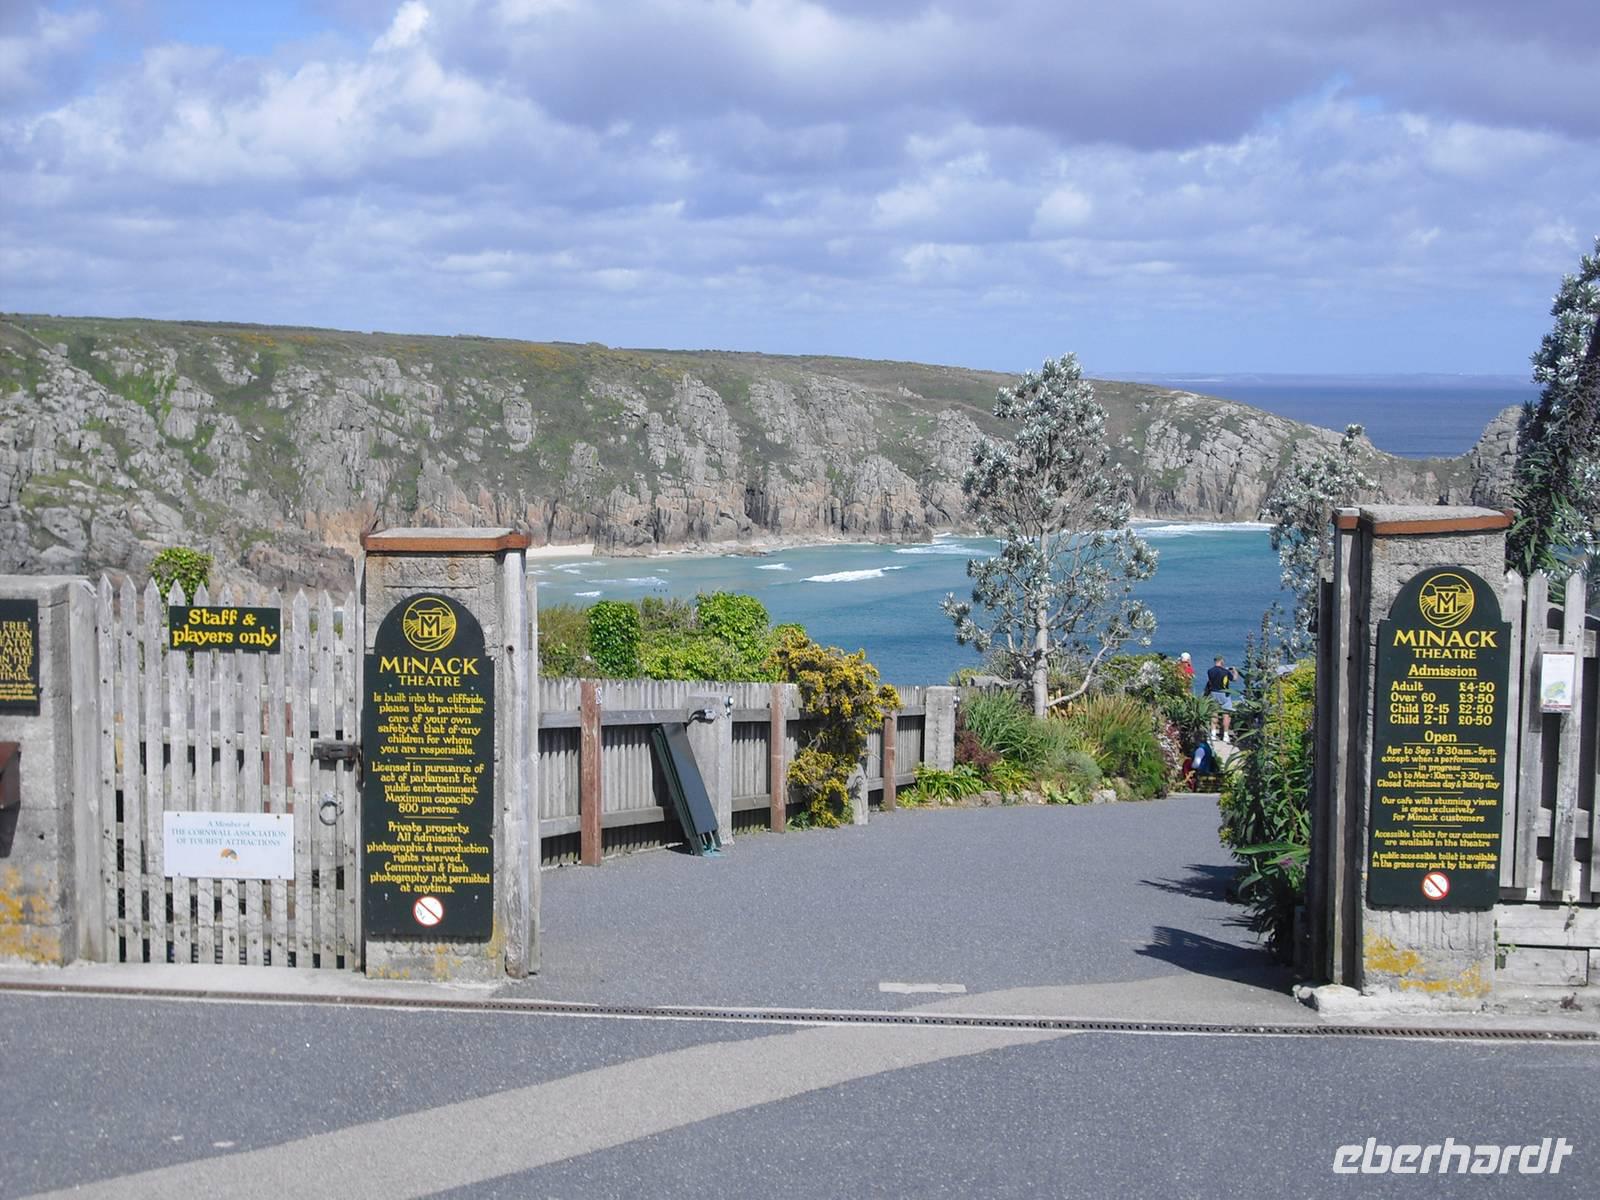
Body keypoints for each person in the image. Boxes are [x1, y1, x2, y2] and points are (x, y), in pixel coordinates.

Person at [1204, 654, 1238, 742]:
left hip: (1213, 693)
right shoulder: (1225, 672)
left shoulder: (1210, 671)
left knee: (1214, 714)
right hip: (1224, 693)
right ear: (1221, 661)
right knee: (1226, 714)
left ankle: (1213, 734)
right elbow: (1234, 679)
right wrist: (1234, 671)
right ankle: (1225, 735)